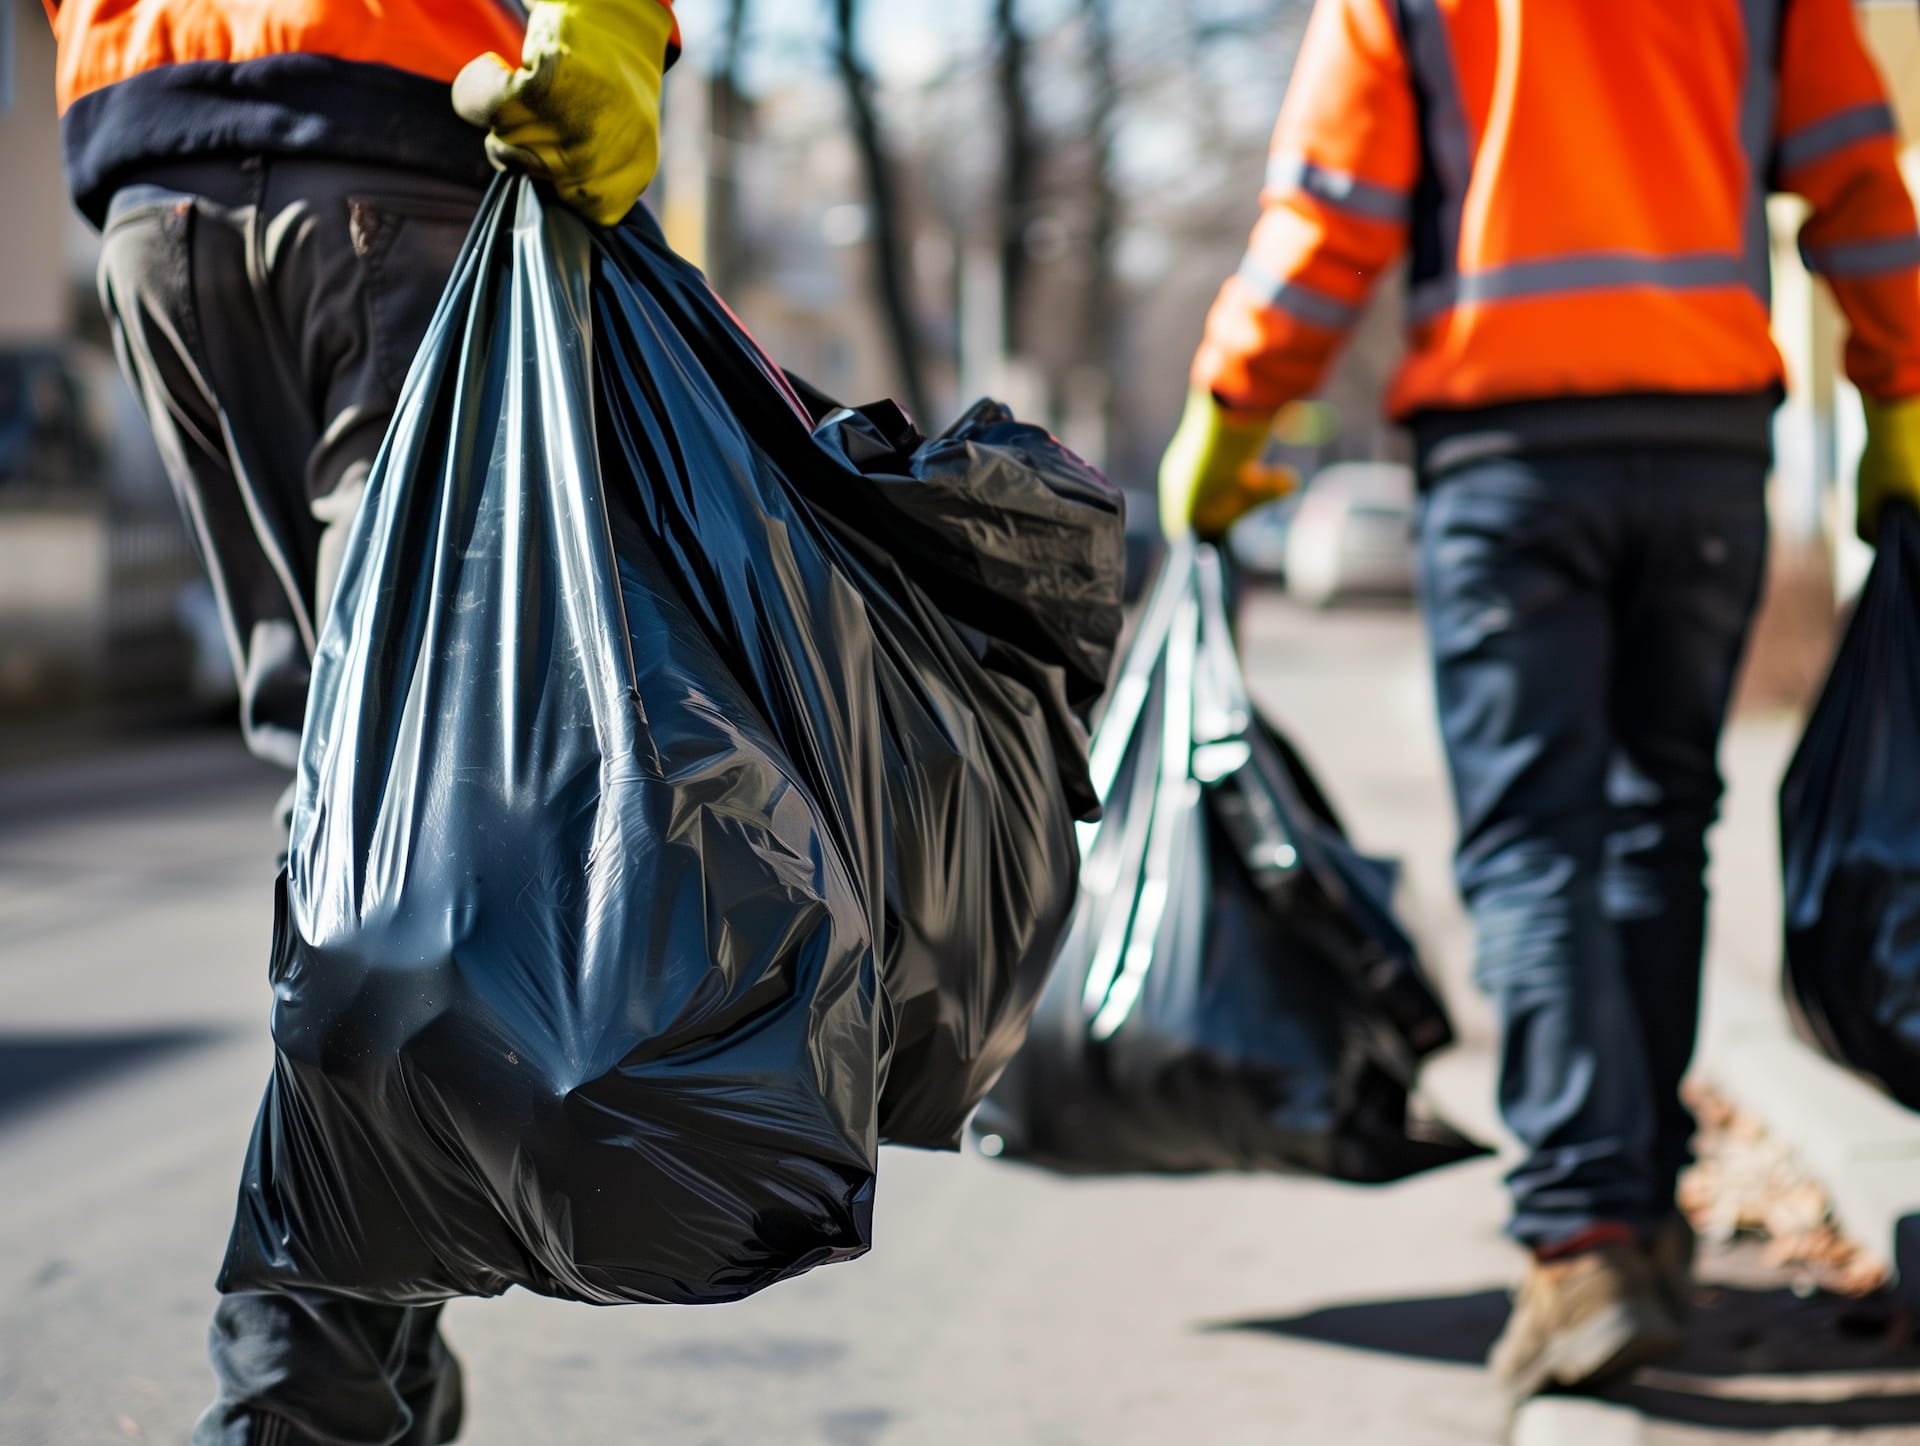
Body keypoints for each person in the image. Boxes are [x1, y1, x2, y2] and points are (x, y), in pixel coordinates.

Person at [1160, 0, 1920, 1402]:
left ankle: (1583, 1238)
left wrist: (1235, 406)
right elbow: (1861, 177)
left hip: (1509, 456)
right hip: (1703, 447)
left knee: (1535, 841)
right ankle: (1635, 1214)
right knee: (1656, 831)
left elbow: (1330, 214)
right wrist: (1900, 394)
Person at [43, 2, 676, 1440]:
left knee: (355, 790)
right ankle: (305, 1379)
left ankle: (378, 1350)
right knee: (413, 810)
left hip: (154, 183)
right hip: (391, 146)